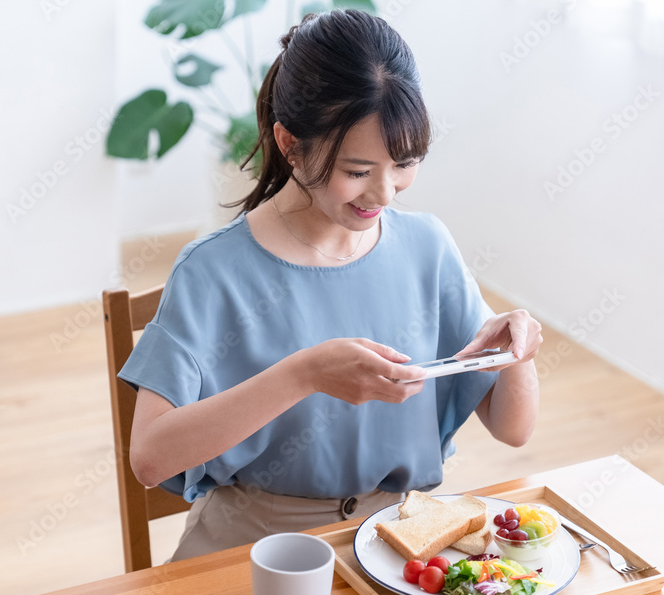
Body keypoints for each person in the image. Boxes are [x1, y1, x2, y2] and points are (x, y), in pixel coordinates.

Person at [118, 9, 542, 562]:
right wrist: (306, 373)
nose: (386, 193)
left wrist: (517, 351)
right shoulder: (211, 270)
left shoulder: (427, 246)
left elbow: (514, 429)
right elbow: (150, 458)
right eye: (359, 171)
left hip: (398, 545)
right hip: (250, 550)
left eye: (405, 164)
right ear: (290, 144)